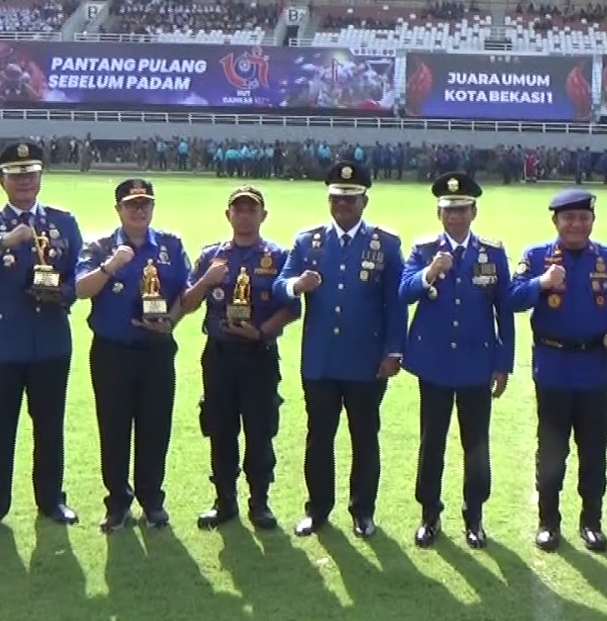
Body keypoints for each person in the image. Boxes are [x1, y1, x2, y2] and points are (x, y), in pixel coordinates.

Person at [0, 140, 84, 540]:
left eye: (31, 173)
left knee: (49, 426)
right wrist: (4, 242)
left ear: (41, 178)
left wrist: (62, 294)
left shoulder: (63, 222)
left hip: (49, 341)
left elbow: (79, 274)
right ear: (2, 181)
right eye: (16, 175)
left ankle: (51, 499)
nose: (25, 181)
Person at [275, 161, 406, 538]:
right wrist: (297, 285)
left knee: (365, 436)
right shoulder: (307, 241)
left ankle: (362, 511)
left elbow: (396, 303)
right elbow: (281, 283)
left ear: (364, 200)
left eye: (350, 199)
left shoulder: (385, 244)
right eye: (336, 198)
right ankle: (317, 510)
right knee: (319, 436)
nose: (342, 205)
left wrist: (394, 351)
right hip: (321, 360)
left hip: (367, 360)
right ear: (328, 200)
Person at [509, 188, 607, 552]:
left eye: (583, 218)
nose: (576, 225)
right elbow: (511, 298)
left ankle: (591, 521)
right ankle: (548, 522)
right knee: (552, 449)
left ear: (592, 222)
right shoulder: (537, 257)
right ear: (555, 222)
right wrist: (541, 283)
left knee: (594, 449)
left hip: (595, 368)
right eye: (568, 218)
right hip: (552, 368)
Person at [399, 171, 515, 548]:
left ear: (474, 211)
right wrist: (430, 273)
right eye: (448, 210)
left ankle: (474, 516)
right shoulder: (424, 249)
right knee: (431, 441)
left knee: (475, 443)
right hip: (434, 364)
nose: (455, 216)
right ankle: (429, 514)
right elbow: (404, 291)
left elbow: (505, 311)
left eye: (462, 209)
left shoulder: (492, 253)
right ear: (439, 213)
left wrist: (504, 362)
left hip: (476, 365)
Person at [182, 185, 299, 531]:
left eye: (252, 209)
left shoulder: (279, 257)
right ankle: (224, 500)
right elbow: (186, 305)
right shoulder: (210, 256)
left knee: (260, 429)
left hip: (258, 354)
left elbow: (292, 308)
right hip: (219, 357)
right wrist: (206, 281)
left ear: (263, 215)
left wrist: (262, 333)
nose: (245, 215)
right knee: (220, 428)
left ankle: (259, 502)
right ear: (228, 215)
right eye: (238, 209)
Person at [74, 178, 189, 531]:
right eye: (131, 204)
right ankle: (117, 501)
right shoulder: (99, 245)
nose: (139, 210)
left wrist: (171, 319)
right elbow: (79, 290)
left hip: (156, 350)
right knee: (114, 427)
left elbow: (185, 291)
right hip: (113, 352)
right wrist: (111, 265)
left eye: (145, 204)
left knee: (156, 426)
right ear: (118, 209)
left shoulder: (170, 244)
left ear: (153, 207)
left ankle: (152, 499)